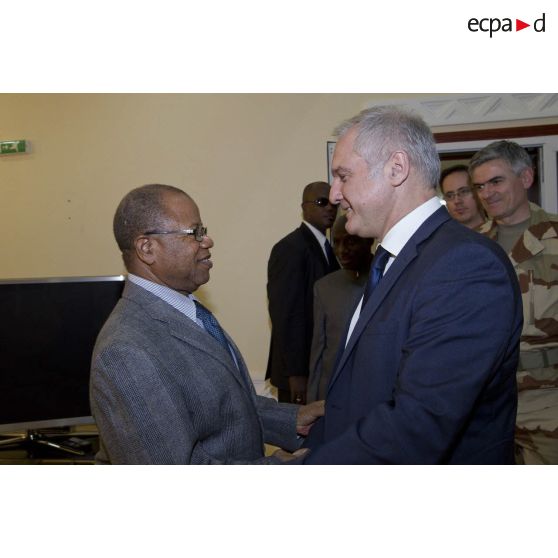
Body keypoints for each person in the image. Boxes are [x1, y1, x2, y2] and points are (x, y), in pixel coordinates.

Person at [303, 106, 522, 464]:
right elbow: (363, 396)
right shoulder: (392, 260)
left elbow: (418, 423)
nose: (335, 194)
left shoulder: (464, 265)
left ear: (397, 169)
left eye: (343, 176)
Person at [90, 184, 324, 464]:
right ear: (147, 248)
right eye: (195, 232)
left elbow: (221, 406)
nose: (208, 241)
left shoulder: (186, 309)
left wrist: (293, 419)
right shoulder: (125, 350)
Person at [469, 140, 558, 464]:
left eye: (496, 181)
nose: (486, 193)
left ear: (526, 178)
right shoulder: (471, 246)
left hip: (548, 406)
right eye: (479, 186)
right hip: (486, 404)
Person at [266, 181, 339, 404]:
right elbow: (286, 314)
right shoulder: (290, 248)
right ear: (304, 207)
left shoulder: (329, 249)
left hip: (320, 368)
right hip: (298, 375)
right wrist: (297, 375)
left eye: (334, 203)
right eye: (321, 202)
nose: (329, 208)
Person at [307, 214, 373, 402]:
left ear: (368, 240)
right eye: (336, 242)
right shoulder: (324, 287)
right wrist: (313, 402)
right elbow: (318, 351)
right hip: (332, 396)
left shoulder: (390, 278)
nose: (342, 250)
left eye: (350, 242)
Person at [439, 164, 486, 229]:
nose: (457, 201)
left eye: (464, 192)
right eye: (450, 196)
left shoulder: (500, 233)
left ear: (478, 192)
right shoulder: (441, 238)